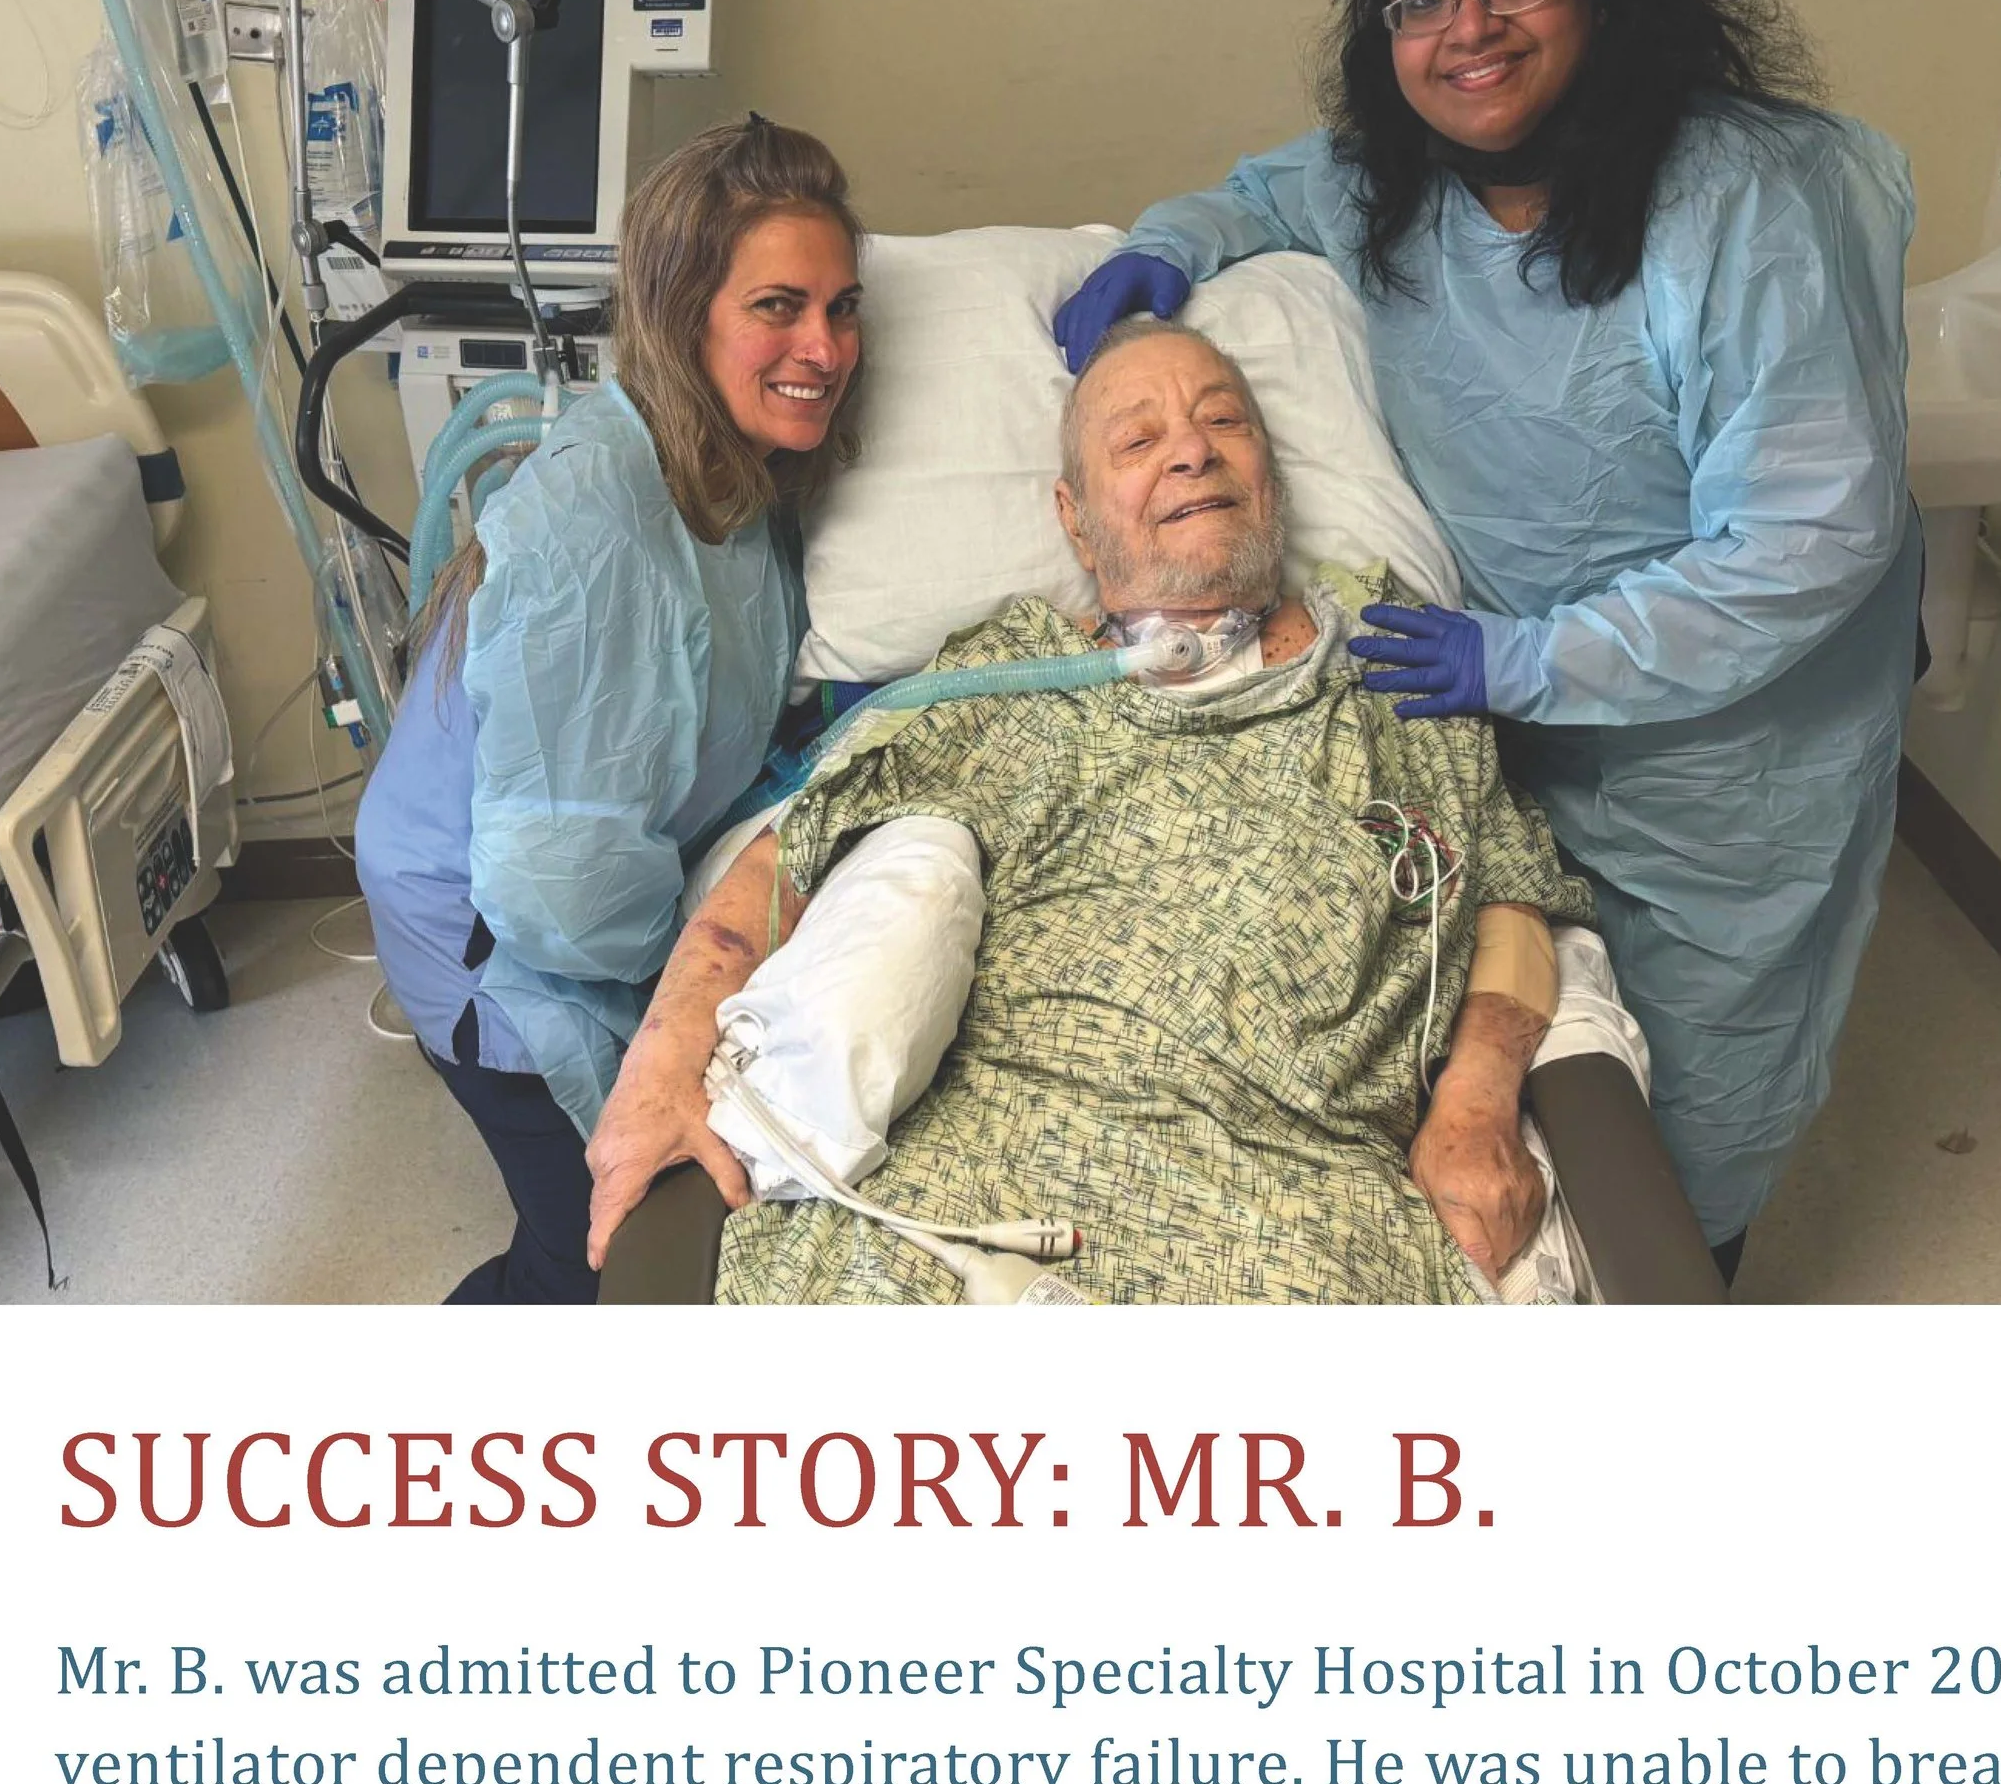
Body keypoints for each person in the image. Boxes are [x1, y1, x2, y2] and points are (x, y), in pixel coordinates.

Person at [1054, 0, 1921, 1270]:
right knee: (1517, 1036)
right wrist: (1161, 247)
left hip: (1730, 754)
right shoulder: (1391, 180)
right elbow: (1258, 197)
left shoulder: (1739, 207)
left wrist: (1527, 659)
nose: (1470, 27)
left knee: (1693, 1103)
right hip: (1497, 710)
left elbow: (1809, 536)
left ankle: (1688, 1285)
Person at [583, 322, 1604, 1304]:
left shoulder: (1391, 659)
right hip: (955, 1200)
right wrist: (660, 1070)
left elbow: (1511, 892)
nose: (1193, 451)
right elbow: (792, 858)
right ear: (1076, 521)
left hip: (1297, 1207)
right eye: (1139, 440)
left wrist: (1477, 1101)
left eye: (1224, 421)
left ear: (1274, 479)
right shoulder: (1005, 677)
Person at [356, 119, 864, 1302]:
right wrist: (699, 978)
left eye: (843, 309)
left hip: (563, 891)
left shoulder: (734, 475)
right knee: (591, 1266)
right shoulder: (595, 524)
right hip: (491, 942)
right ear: (684, 318)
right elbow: (558, 893)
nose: (825, 347)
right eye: (778, 307)